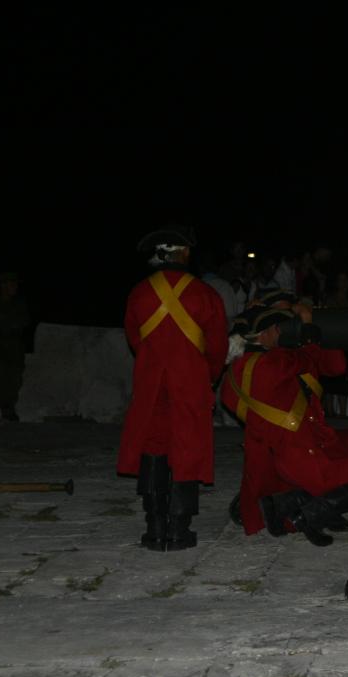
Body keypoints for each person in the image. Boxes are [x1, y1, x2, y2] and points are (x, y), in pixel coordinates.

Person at [219, 303, 348, 546]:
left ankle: (297, 504)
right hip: (300, 454)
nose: (280, 332)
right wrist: (309, 326)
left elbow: (333, 367)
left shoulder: (236, 371)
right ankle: (304, 515)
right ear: (262, 335)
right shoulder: (276, 361)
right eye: (275, 328)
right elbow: (309, 356)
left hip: (285, 448)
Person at [117, 224, 229, 551]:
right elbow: (218, 346)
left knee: (153, 446)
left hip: (152, 383)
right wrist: (207, 375)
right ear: (184, 253)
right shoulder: (205, 294)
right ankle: (179, 530)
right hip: (190, 382)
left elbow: (134, 338)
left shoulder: (139, 292)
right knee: (188, 448)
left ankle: (155, 529)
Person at [0, 272, 31, 421]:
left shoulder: (20, 303)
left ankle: (9, 407)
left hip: (15, 346)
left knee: (15, 379)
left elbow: (24, 321)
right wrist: (9, 322)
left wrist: (3, 320)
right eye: (11, 283)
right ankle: (7, 409)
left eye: (15, 283)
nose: (15, 287)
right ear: (3, 285)